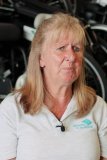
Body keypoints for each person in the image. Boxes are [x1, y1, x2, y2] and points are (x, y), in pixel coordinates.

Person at [0, 12, 107, 160]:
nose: (71, 56)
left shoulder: (98, 107)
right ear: (41, 58)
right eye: (61, 48)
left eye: (76, 48)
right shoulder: (11, 109)